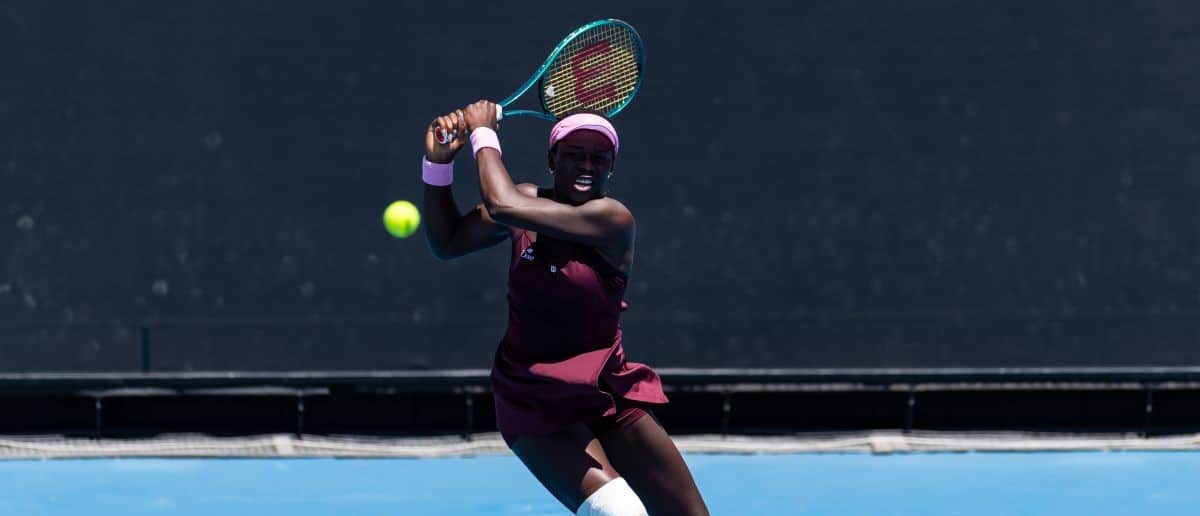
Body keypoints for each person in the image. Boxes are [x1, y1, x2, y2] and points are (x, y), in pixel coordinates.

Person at [422, 100, 709, 515]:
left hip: (605, 391)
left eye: (599, 157)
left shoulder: (612, 219)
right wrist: (438, 165)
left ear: (612, 167)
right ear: (553, 159)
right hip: (532, 398)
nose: (587, 164)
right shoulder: (522, 202)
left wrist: (483, 134)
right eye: (574, 154)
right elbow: (447, 243)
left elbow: (503, 205)